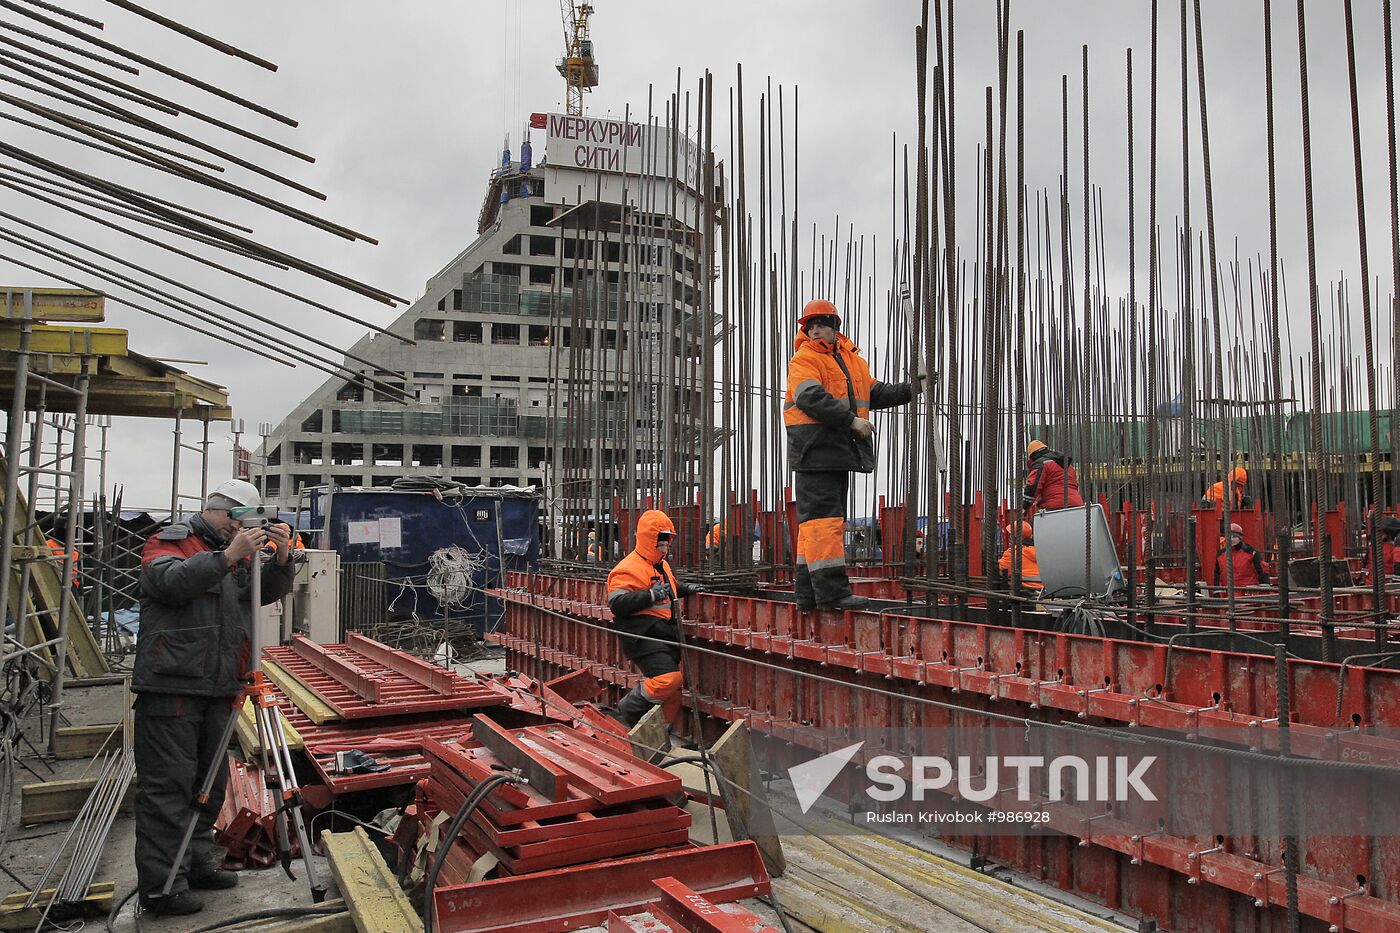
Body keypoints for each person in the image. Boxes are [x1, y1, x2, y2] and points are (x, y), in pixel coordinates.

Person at [133, 479, 294, 917]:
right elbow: (167, 583)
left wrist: (280, 558)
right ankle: (163, 887)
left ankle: (198, 863)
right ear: (223, 513)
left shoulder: (234, 553)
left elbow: (261, 594)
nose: (242, 529)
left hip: (221, 686)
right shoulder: (169, 541)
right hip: (173, 686)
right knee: (169, 789)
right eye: (241, 521)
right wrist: (227, 556)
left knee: (210, 785)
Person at [783, 299, 917, 611]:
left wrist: (911, 390)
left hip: (835, 452)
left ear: (834, 326)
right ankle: (831, 594)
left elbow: (873, 392)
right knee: (823, 524)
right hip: (814, 450)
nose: (814, 329)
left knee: (814, 526)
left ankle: (808, 594)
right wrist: (850, 420)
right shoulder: (805, 358)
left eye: (820, 323)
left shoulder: (850, 361)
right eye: (809, 325)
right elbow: (809, 397)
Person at [607, 510, 706, 728]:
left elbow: (668, 587)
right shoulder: (626, 569)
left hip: (662, 632)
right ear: (648, 541)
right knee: (669, 679)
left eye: (667, 545)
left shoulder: (661, 565)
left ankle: (661, 732)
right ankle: (630, 708)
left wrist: (685, 588)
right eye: (661, 545)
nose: (665, 549)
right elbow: (617, 603)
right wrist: (650, 596)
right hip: (641, 635)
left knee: (673, 691)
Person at [1022, 440, 1085, 520]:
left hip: (1055, 508)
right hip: (1077, 505)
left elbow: (1032, 488)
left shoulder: (1041, 464)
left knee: (1036, 529)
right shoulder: (1068, 465)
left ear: (1032, 456)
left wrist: (1024, 509)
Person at [1216, 522, 1270, 587]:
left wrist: (1264, 587)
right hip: (1227, 594)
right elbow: (1217, 575)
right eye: (1229, 536)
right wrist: (1217, 592)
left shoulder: (1251, 553)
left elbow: (1262, 571)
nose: (1231, 539)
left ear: (1240, 538)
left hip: (1248, 594)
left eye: (1234, 537)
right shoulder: (1220, 556)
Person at [997, 521, 1042, 593]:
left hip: (1025, 590)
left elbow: (1001, 571)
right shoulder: (1039, 551)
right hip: (1042, 590)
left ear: (1015, 538)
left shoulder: (1012, 553)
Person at [1367, 515, 1400, 582]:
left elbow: (1398, 561)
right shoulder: (1373, 546)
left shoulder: (1396, 542)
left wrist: (1396, 580)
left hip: (1385, 582)